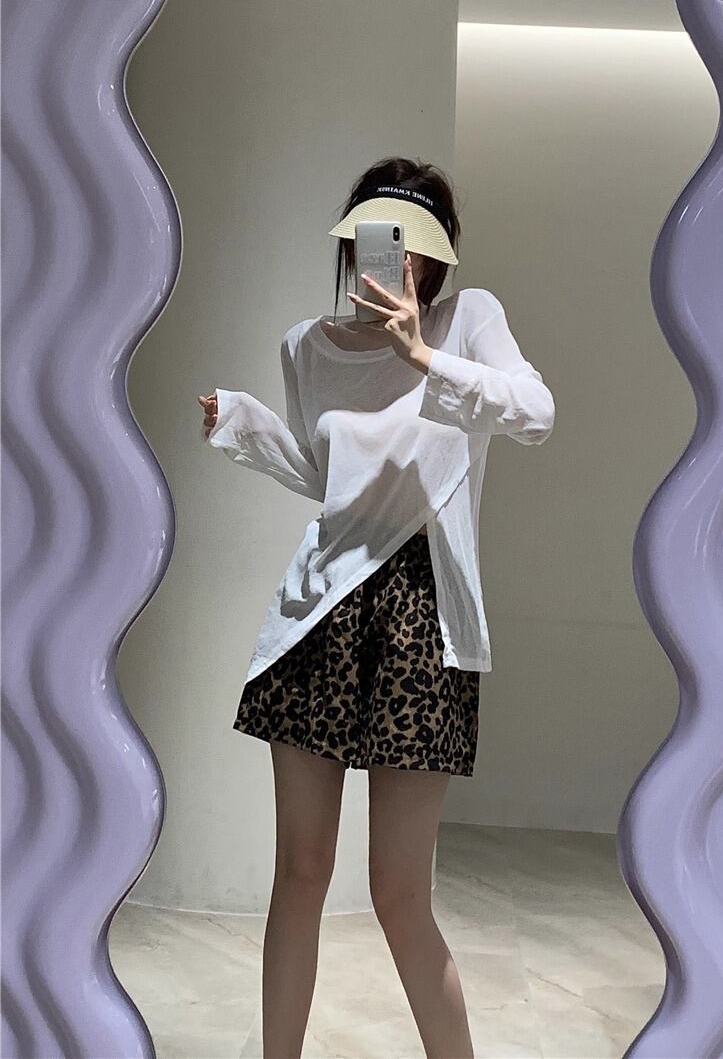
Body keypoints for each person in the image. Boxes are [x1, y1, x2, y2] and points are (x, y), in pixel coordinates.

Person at [198, 158, 555, 1058]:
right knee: (300, 872)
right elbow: (328, 480)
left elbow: (536, 412)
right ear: (353, 243)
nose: (398, 262)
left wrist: (421, 355)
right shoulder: (305, 346)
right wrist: (243, 424)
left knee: (399, 893)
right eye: (378, 240)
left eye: (415, 246)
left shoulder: (468, 322)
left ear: (439, 256)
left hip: (421, 624)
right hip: (320, 613)